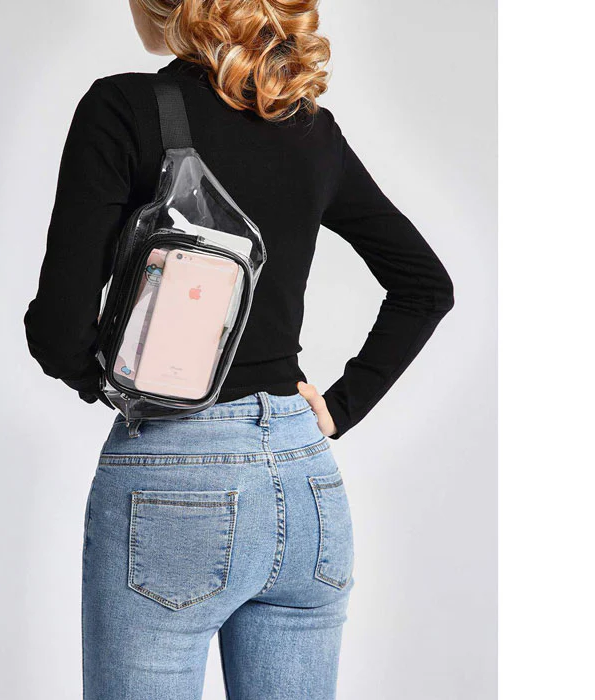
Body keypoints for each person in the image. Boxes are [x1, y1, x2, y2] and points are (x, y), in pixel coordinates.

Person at [24, 1, 454, 697]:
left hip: (173, 477)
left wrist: (112, 380)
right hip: (308, 480)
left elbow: (58, 329)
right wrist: (340, 408)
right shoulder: (309, 126)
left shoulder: (122, 108)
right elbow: (425, 286)